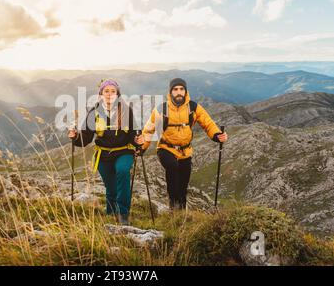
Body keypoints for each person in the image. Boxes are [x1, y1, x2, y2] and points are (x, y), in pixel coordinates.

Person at [141, 78, 228, 210]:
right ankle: (173, 203)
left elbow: (208, 123)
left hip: (185, 151)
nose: (179, 92)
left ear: (186, 91)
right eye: (175, 89)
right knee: (172, 167)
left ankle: (181, 209)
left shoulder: (193, 108)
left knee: (183, 183)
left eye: (181, 89)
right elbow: (149, 130)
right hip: (165, 148)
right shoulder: (161, 109)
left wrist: (217, 135)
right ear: (170, 92)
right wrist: (141, 148)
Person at [68, 79, 144, 225]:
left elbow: (133, 135)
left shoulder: (126, 110)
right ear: (101, 94)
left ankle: (123, 215)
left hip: (124, 151)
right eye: (106, 91)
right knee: (111, 188)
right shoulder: (94, 112)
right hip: (103, 155)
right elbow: (85, 138)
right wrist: (75, 137)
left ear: (118, 94)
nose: (109, 94)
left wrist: (138, 140)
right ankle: (110, 214)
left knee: (122, 171)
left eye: (113, 91)